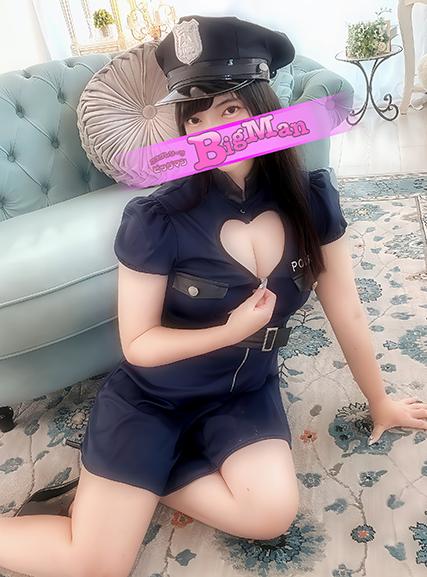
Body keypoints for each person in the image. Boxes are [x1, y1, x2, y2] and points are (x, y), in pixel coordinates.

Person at [3, 14, 425, 577]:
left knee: (271, 514)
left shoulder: (310, 200)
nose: (212, 132)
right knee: (96, 564)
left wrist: (380, 400)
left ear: (263, 108)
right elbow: (138, 344)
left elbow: (345, 306)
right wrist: (230, 331)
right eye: (195, 117)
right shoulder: (156, 218)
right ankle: (121, 484)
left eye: (229, 110)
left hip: (241, 392)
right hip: (154, 397)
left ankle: (133, 483)